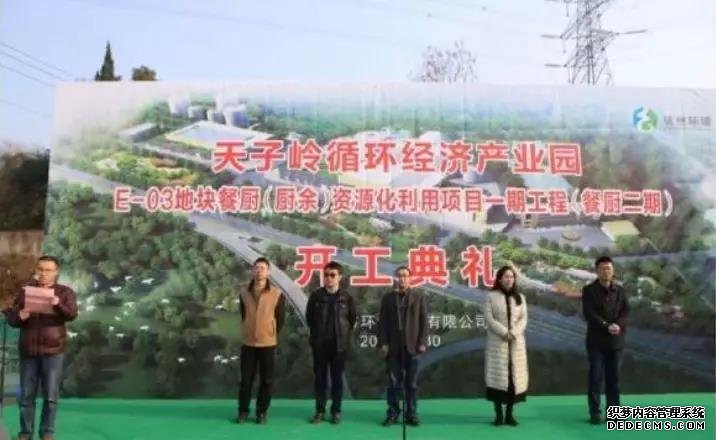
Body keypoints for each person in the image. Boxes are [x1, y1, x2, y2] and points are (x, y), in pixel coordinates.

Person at [4, 256, 78, 440]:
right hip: (28, 351)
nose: (44, 273)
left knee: (51, 397)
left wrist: (57, 304)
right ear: (36, 271)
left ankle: (47, 432)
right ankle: (25, 433)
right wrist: (20, 315)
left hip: (53, 352)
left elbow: (72, 314)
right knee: (26, 397)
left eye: (48, 270)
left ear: (56, 272)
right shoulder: (24, 292)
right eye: (41, 269)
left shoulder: (65, 292)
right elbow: (12, 320)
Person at [306, 261, 357, 424]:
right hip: (320, 345)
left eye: (332, 275)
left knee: (337, 380)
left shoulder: (346, 298)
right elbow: (309, 318)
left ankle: (336, 411)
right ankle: (320, 411)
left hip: (339, 346)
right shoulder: (316, 296)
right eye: (326, 275)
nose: (328, 278)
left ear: (339, 277)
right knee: (320, 379)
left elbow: (352, 319)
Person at [236, 257, 286, 425]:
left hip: (267, 344)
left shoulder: (276, 293)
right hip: (248, 343)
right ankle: (243, 411)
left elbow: (280, 319)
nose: (259, 271)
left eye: (262, 268)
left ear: (268, 272)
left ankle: (261, 412)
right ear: (252, 271)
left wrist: (269, 332)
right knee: (246, 380)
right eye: (256, 268)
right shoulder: (244, 292)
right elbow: (244, 315)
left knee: (266, 380)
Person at [378, 266, 428, 427]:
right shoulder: (388, 298)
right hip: (393, 347)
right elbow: (382, 323)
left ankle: (411, 414)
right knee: (393, 384)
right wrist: (383, 343)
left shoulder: (418, 296)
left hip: (412, 346)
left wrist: (422, 342)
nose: (402, 279)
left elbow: (424, 321)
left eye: (405, 276)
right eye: (399, 276)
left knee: (411, 384)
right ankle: (393, 413)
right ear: (395, 278)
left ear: (410, 278)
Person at [582, 256, 629, 424]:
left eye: (608, 268)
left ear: (613, 270)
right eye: (602, 268)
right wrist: (606, 325)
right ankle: (595, 412)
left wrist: (618, 324)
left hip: (616, 342)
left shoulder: (620, 290)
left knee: (614, 379)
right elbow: (589, 314)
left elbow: (626, 312)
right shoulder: (589, 290)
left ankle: (614, 413)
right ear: (597, 270)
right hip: (596, 342)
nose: (605, 271)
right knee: (595, 378)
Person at [484, 265, 528, 427]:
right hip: (498, 343)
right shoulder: (491, 296)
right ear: (500, 279)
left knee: (512, 381)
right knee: (498, 379)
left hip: (516, 344)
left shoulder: (520, 297)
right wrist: (504, 332)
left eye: (512, 277)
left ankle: (509, 415)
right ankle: (498, 415)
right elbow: (489, 318)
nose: (510, 279)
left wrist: (514, 333)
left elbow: (523, 319)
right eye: (506, 277)